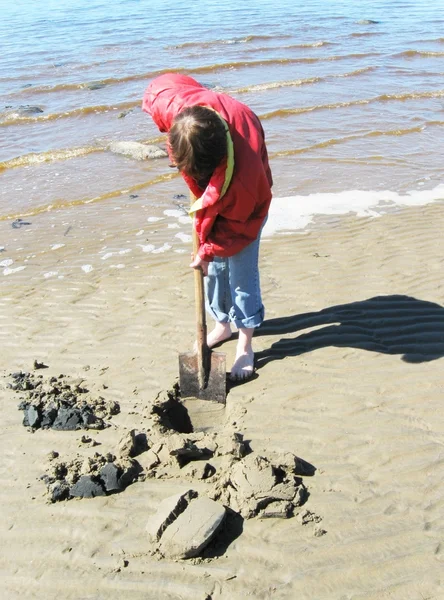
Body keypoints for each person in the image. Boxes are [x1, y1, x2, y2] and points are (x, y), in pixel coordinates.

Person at [142, 73, 273, 380]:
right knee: (215, 271)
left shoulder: (245, 182)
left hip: (247, 214)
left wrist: (208, 249)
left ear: (215, 163)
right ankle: (222, 325)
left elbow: (238, 230)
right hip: (215, 174)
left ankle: (245, 343)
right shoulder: (181, 113)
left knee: (240, 275)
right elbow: (160, 90)